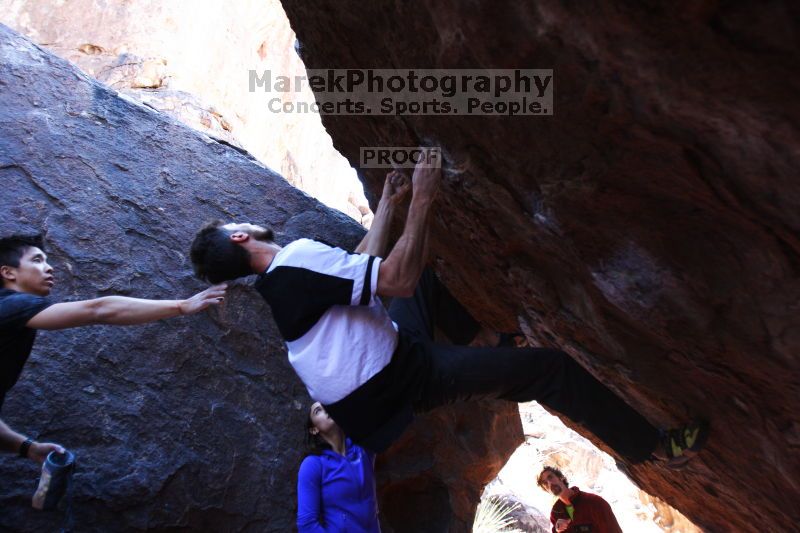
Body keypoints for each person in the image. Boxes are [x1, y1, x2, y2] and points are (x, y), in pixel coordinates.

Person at [189, 149, 708, 467]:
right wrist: (421, 201)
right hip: (403, 379)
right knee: (552, 369)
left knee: (423, 285)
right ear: (240, 236)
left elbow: (360, 271)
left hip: (376, 393)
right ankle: (655, 447)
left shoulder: (284, 280)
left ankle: (484, 344)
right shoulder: (293, 262)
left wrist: (390, 205)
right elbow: (395, 275)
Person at [0, 234, 226, 464]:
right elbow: (100, 310)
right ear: (8, 272)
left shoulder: (12, 312)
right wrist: (182, 306)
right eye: (37, 260)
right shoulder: (12, 305)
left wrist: (27, 448)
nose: (49, 268)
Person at [297, 401, 380, 532]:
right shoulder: (313, 465)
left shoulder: (363, 449)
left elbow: (378, 416)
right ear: (314, 429)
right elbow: (307, 524)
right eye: (318, 411)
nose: (325, 410)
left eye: (327, 406)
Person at [537, 466, 622, 533]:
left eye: (550, 477)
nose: (549, 483)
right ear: (546, 490)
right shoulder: (555, 514)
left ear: (561, 477)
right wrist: (557, 530)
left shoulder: (594, 502)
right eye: (545, 483)